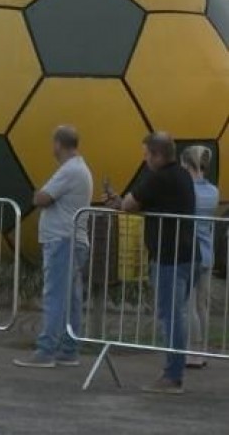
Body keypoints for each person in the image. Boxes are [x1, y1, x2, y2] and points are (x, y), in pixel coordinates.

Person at [104, 132, 197, 395]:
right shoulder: (182, 174)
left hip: (169, 258)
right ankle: (173, 371)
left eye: (146, 154)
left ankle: (173, 376)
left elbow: (130, 203)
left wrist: (121, 203)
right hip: (187, 255)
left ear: (157, 155)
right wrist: (122, 204)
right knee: (175, 314)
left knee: (170, 317)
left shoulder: (158, 178)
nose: (145, 160)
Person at [15, 126, 92, 368]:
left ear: (58, 144)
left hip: (62, 240)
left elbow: (42, 198)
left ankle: (46, 350)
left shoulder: (69, 170)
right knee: (71, 298)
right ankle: (69, 349)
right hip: (72, 239)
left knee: (55, 295)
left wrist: (38, 193)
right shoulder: (79, 168)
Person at [181, 145, 218, 369]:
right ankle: (201, 351)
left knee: (189, 305)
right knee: (201, 305)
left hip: (191, 252)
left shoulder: (188, 191)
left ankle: (192, 352)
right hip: (207, 252)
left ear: (186, 164)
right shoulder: (213, 191)